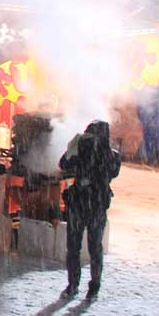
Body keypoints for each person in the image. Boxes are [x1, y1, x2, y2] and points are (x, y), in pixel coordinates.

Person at [59, 120, 121, 301]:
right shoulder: (92, 151)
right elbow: (64, 164)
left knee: (86, 248)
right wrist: (74, 147)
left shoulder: (108, 155)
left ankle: (85, 287)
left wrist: (78, 148)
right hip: (85, 205)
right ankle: (81, 286)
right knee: (82, 248)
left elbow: (65, 164)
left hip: (90, 205)